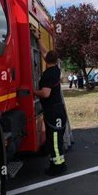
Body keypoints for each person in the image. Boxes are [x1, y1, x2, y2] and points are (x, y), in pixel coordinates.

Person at [33, 47, 67, 176]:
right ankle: (55, 164)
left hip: (53, 112)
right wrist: (39, 40)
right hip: (57, 111)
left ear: (46, 61)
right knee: (54, 139)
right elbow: (46, 54)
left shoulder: (48, 74)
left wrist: (33, 92)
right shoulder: (56, 70)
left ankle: (59, 167)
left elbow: (46, 94)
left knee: (54, 141)